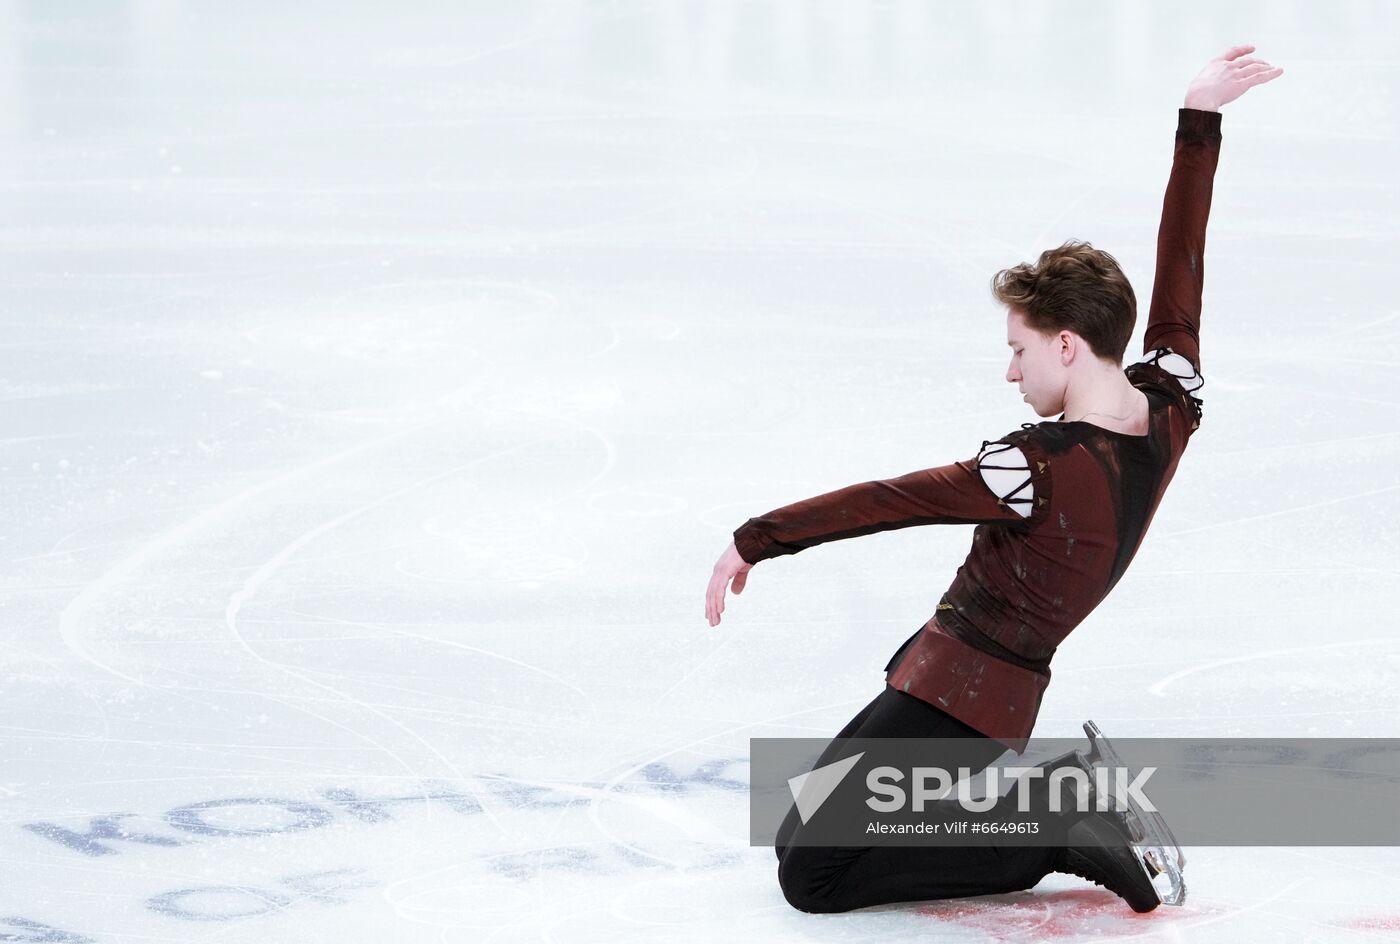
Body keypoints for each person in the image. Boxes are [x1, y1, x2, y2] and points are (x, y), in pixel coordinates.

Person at [704, 46, 1282, 914]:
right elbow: (1181, 269)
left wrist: (756, 538)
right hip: (957, 688)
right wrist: (1199, 120)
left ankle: (1056, 827)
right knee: (799, 832)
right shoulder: (1170, 407)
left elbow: (887, 501)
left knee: (809, 878)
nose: (1011, 373)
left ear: (1065, 344)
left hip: (962, 702)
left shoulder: (1036, 468)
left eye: (1018, 350)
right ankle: (1044, 817)